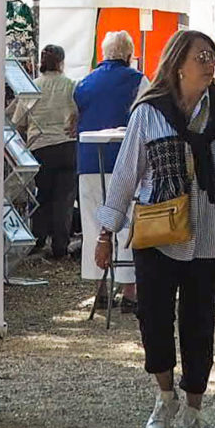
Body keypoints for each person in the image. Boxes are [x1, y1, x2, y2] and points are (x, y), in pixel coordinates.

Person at [94, 32, 215, 428]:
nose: (210, 64)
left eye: (213, 57)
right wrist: (106, 231)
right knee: (152, 317)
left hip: (212, 234)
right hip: (157, 232)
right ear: (178, 64)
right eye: (201, 57)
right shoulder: (149, 112)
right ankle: (165, 394)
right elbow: (125, 175)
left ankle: (193, 409)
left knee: (198, 321)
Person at [74, 32, 145, 308]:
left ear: (103, 53)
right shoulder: (138, 80)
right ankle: (129, 290)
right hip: (126, 161)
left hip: (90, 160)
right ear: (129, 54)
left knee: (93, 223)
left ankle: (100, 288)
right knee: (128, 221)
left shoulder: (84, 83)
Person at [14, 45, 80, 260]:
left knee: (41, 197)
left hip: (40, 147)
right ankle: (61, 246)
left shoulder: (32, 87)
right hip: (67, 146)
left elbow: (19, 122)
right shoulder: (72, 86)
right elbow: (78, 115)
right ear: (62, 62)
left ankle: (39, 240)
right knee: (64, 199)